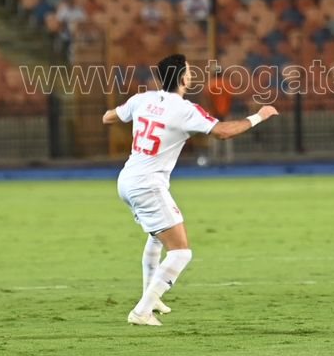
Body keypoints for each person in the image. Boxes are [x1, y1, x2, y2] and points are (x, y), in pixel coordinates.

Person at [103, 55, 277, 327]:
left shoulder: (142, 99)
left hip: (127, 180)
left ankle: (151, 298)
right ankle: (142, 311)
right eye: (189, 71)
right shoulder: (185, 110)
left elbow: (108, 117)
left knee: (157, 236)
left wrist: (136, 115)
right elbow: (222, 132)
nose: (192, 74)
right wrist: (259, 116)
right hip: (148, 185)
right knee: (181, 252)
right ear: (183, 78)